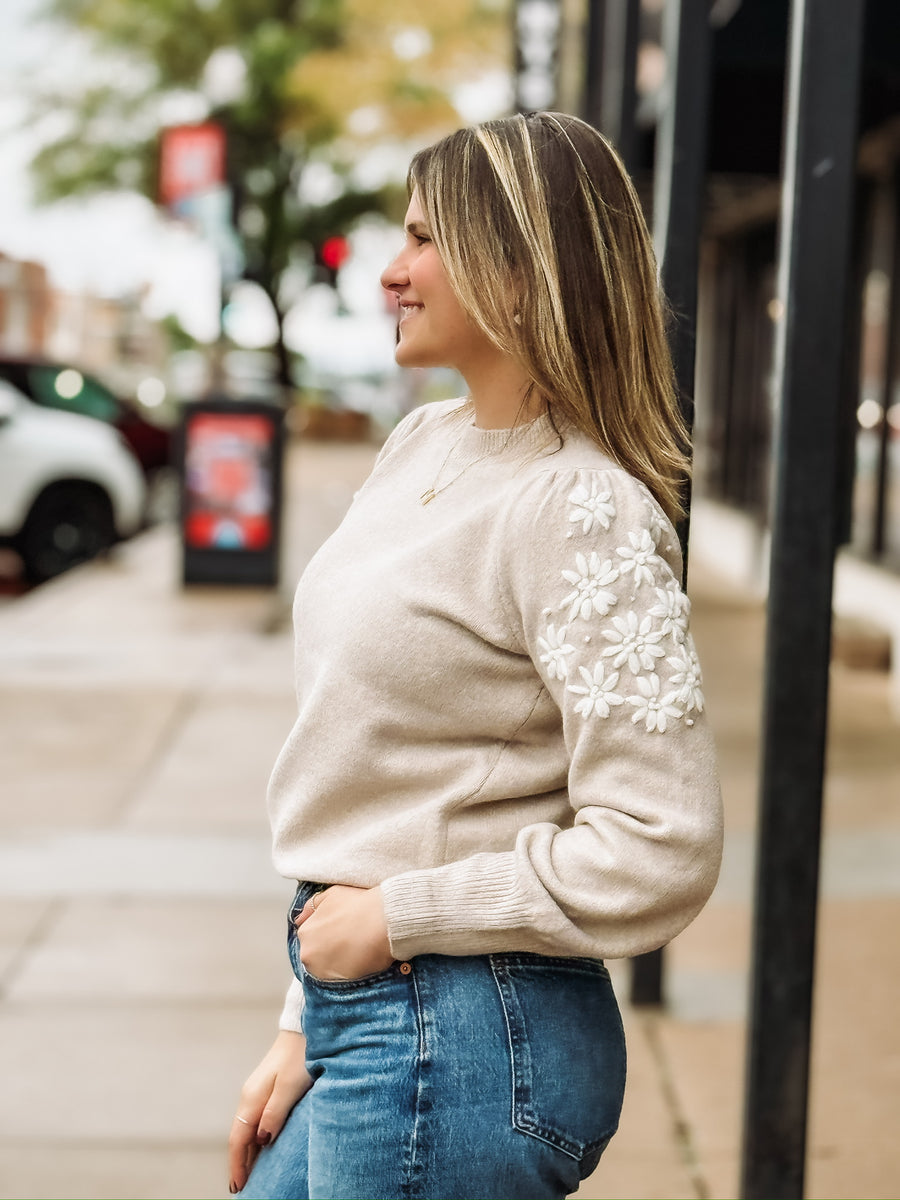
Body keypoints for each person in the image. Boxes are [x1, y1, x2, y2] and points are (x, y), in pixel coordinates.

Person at [228, 110, 723, 1200]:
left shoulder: (580, 504)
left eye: (422, 239)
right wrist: (302, 1017)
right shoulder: (422, 443)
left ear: (517, 264)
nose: (390, 273)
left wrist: (397, 919)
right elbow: (374, 777)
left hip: (462, 1038)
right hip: (367, 1010)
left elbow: (661, 845)